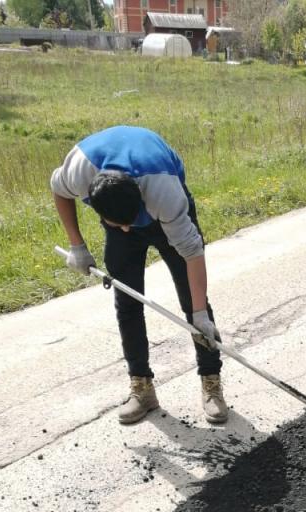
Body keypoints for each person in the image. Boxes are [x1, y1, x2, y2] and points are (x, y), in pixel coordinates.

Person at [50, 125, 228, 426]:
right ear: (93, 200)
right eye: (116, 224)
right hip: (116, 201)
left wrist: (199, 315)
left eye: (129, 223)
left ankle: (211, 382)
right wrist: (77, 246)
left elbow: (193, 253)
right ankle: (141, 387)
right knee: (127, 301)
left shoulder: (164, 194)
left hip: (163, 211)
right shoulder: (80, 171)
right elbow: (57, 189)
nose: (125, 230)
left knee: (191, 297)